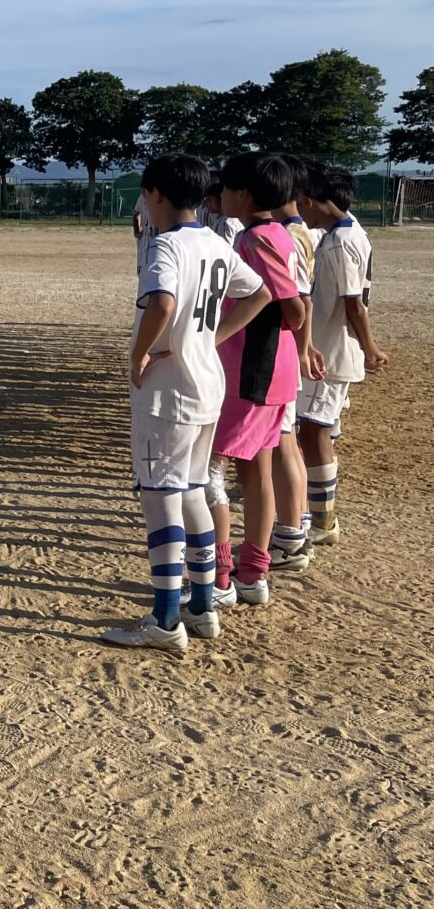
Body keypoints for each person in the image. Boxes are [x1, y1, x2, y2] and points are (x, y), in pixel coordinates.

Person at [106, 155, 270, 653]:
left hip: (168, 388)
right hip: (207, 385)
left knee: (159, 497)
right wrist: (211, 337)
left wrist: (140, 355)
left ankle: (164, 617)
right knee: (195, 489)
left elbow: (163, 304)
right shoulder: (216, 241)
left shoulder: (166, 246)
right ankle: (202, 606)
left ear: (155, 194)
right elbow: (259, 292)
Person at [211, 153, 310, 607]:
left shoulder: (255, 240)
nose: (221, 195)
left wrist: (213, 339)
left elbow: (289, 303)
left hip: (256, 369)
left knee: (211, 470)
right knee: (256, 472)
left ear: (243, 194)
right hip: (274, 368)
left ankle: (220, 575)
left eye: (226, 188)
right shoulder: (280, 234)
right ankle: (253, 573)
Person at [296, 163, 385, 549]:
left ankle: (324, 519)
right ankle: (318, 513)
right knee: (313, 429)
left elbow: (354, 305)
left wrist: (370, 348)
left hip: (331, 353)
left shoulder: (342, 242)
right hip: (326, 349)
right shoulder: (343, 232)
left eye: (302, 203)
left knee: (315, 429)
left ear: (312, 201)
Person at [268, 154, 321, 570]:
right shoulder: (298, 230)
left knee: (283, 443)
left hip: (281, 350)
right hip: (291, 347)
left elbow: (299, 301)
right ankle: (297, 521)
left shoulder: (284, 234)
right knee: (291, 442)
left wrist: (302, 349)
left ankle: (290, 537)